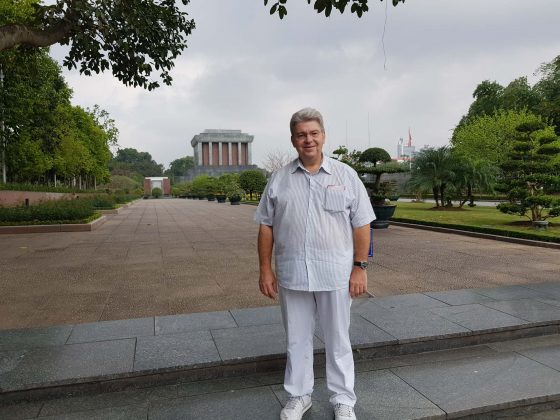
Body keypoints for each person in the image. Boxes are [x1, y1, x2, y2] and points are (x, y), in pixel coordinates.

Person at [255, 107, 375, 420]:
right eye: (301, 134)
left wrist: (360, 266)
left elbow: (362, 224)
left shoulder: (345, 176)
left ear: (323, 136)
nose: (308, 140)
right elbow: (266, 226)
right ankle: (298, 396)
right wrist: (265, 269)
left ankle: (343, 400)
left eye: (313, 133)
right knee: (296, 339)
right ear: (293, 140)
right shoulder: (279, 180)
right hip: (293, 273)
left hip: (335, 273)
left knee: (338, 340)